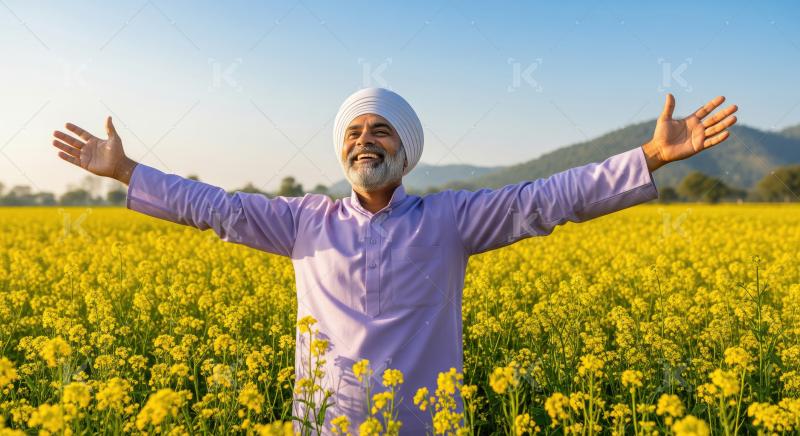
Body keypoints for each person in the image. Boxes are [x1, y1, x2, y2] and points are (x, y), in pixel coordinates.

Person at [51, 87, 737, 434]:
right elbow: (216, 208)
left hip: (425, 428)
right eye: (353, 132)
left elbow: (548, 199)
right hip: (325, 427)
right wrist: (127, 171)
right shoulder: (300, 223)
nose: (363, 140)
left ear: (405, 148)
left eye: (379, 129)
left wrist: (647, 157)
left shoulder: (450, 221)